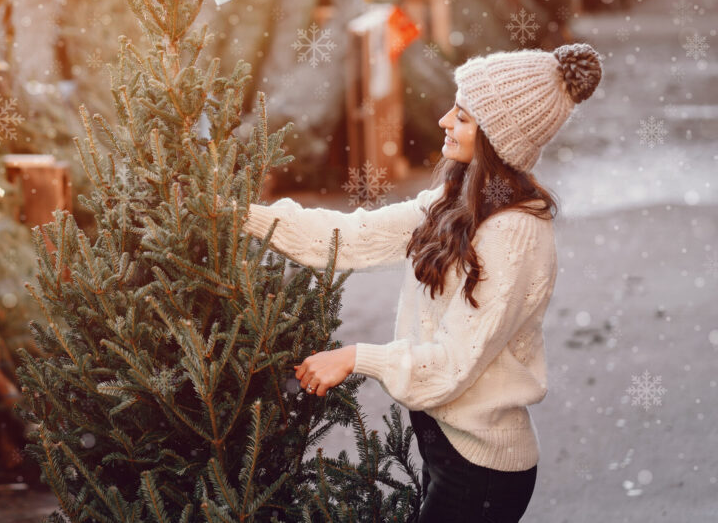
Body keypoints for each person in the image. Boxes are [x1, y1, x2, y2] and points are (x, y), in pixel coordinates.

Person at [238, 44, 604, 523]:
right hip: (450, 452)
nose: (444, 121)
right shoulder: (459, 202)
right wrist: (239, 216)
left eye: (464, 116)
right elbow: (353, 237)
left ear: (498, 137)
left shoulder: (514, 234)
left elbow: (452, 366)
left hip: (482, 472)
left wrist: (356, 357)